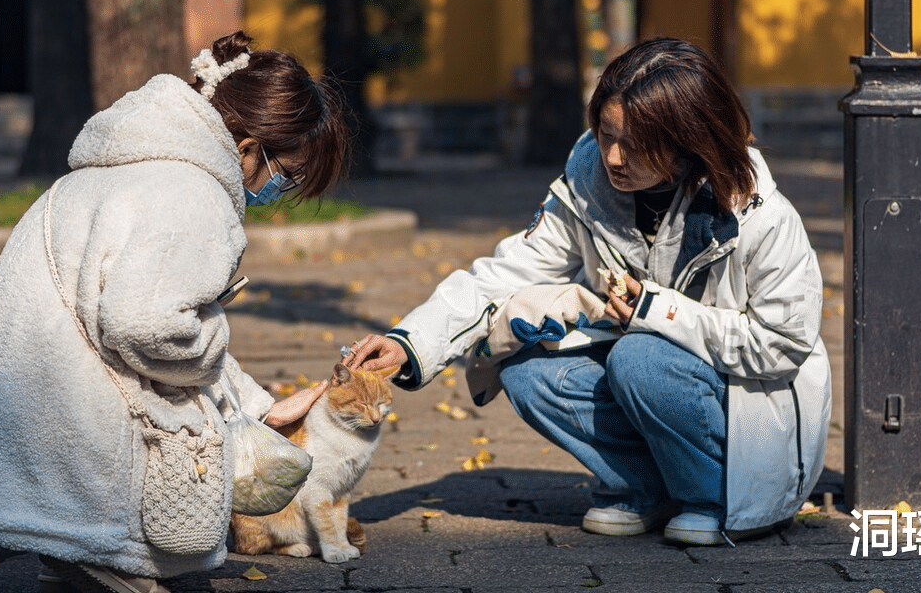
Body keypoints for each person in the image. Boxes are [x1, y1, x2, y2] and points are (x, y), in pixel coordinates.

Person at [347, 36, 830, 547]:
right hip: (646, 369)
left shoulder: (762, 216)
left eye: (636, 144)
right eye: (605, 134)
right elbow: (507, 273)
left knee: (641, 358)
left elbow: (783, 344)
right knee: (526, 367)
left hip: (753, 427)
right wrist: (409, 343)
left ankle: (713, 497)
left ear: (687, 138)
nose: (614, 158)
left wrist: (656, 311)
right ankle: (645, 488)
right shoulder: (587, 184)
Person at [0, 31, 350, 593]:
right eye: (286, 174)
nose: (279, 191)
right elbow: (146, 326)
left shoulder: (98, 174)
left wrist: (256, 408)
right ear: (247, 148)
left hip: (11, 414)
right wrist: (216, 341)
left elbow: (136, 321)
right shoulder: (193, 193)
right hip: (72, 431)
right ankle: (110, 552)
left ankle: (75, 553)